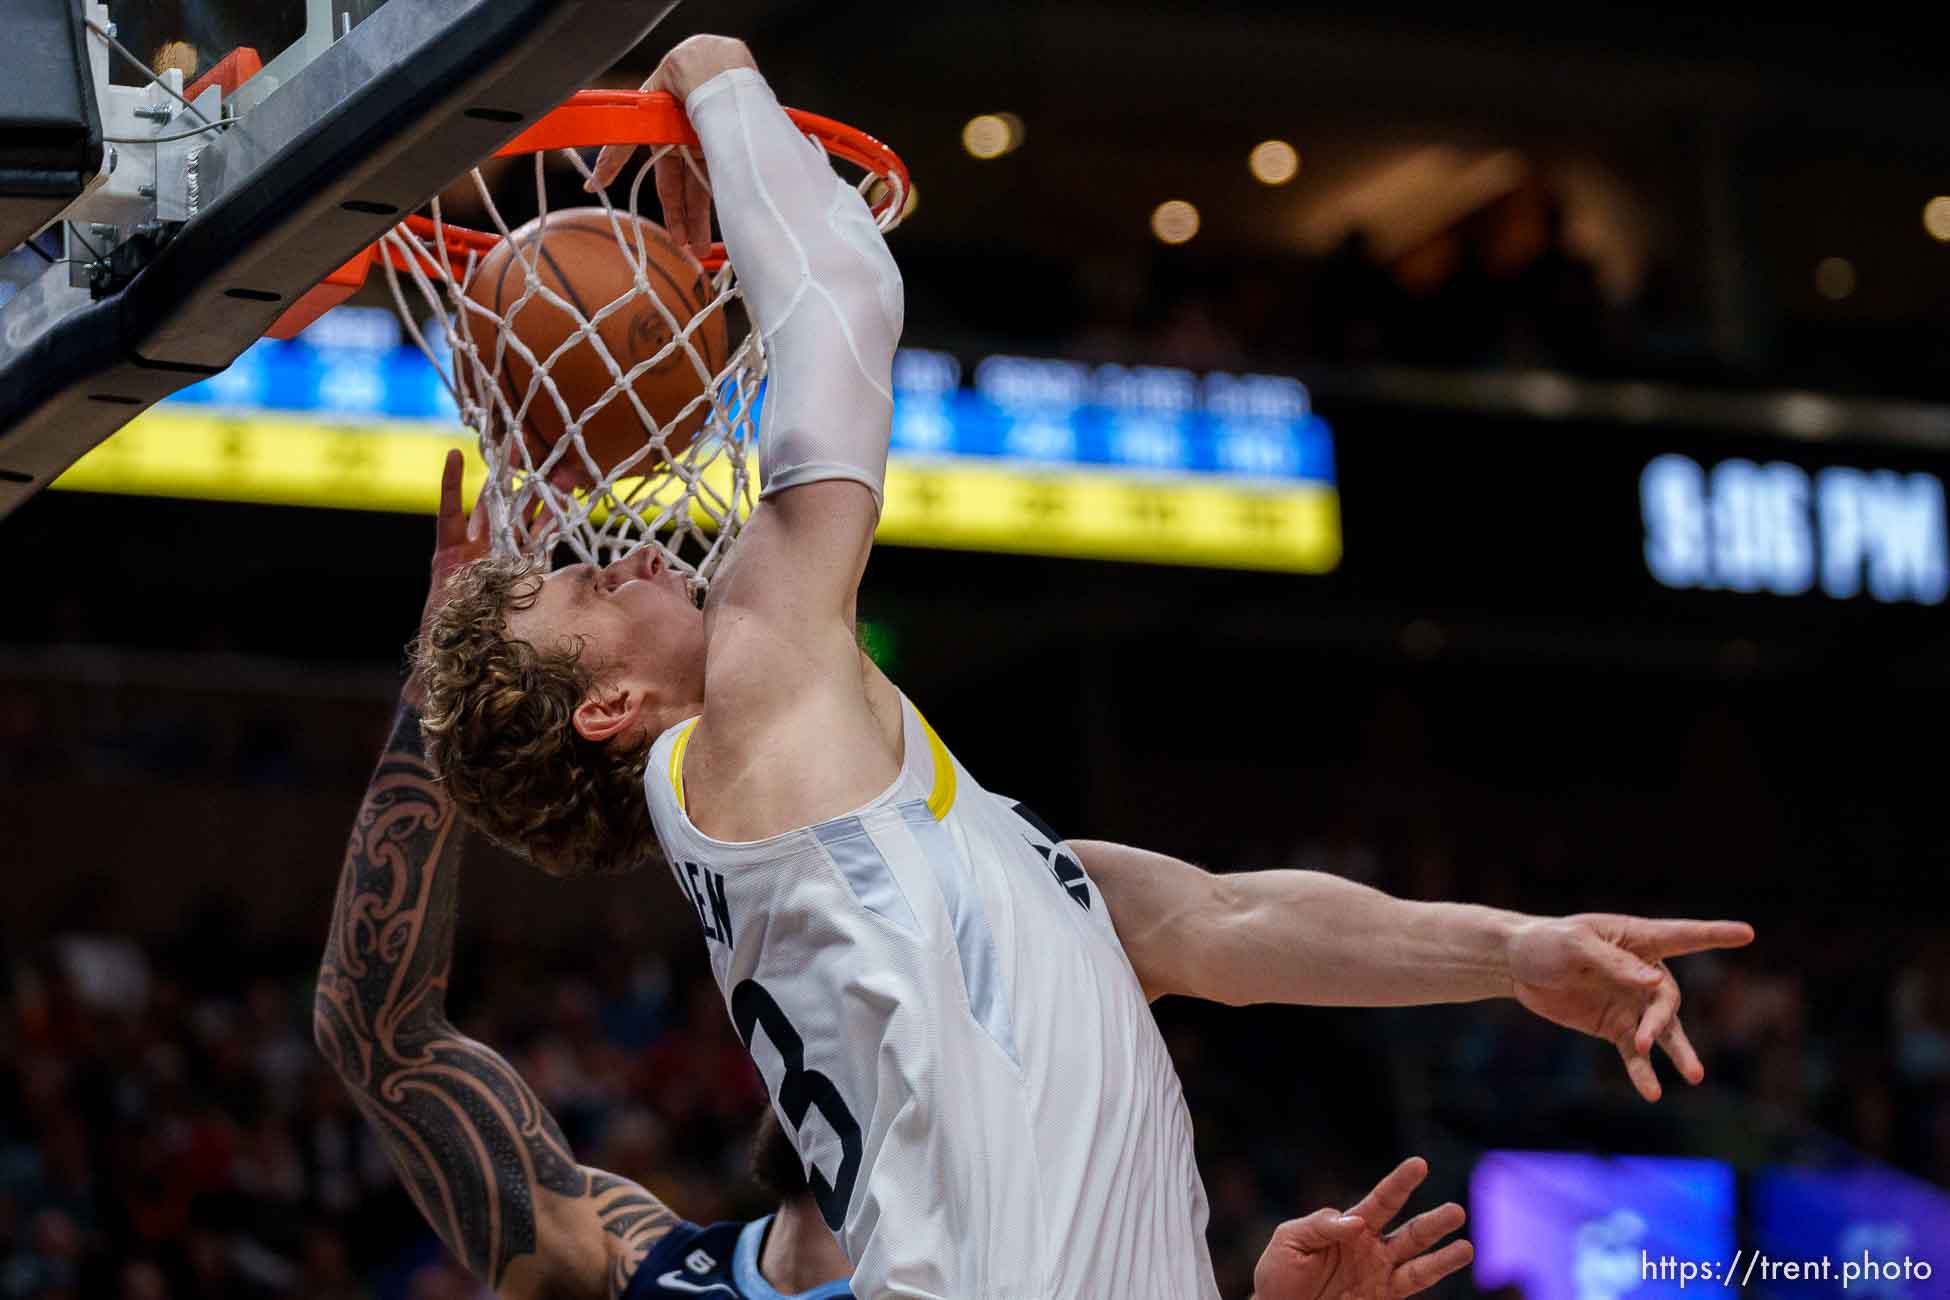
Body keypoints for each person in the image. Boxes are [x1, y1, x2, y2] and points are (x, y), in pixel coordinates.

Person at [416, 35, 1753, 1300]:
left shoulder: (908, 866)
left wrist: (1511, 951)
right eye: (596, 584)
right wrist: (712, 76)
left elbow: (1215, 927)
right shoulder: (746, 712)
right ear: (611, 708)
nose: (636, 554)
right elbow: (846, 304)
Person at [315, 455, 1476, 1300]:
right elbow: (379, 1038)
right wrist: (445, 700)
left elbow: (1225, 914)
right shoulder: (649, 1271)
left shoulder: (1041, 1226)